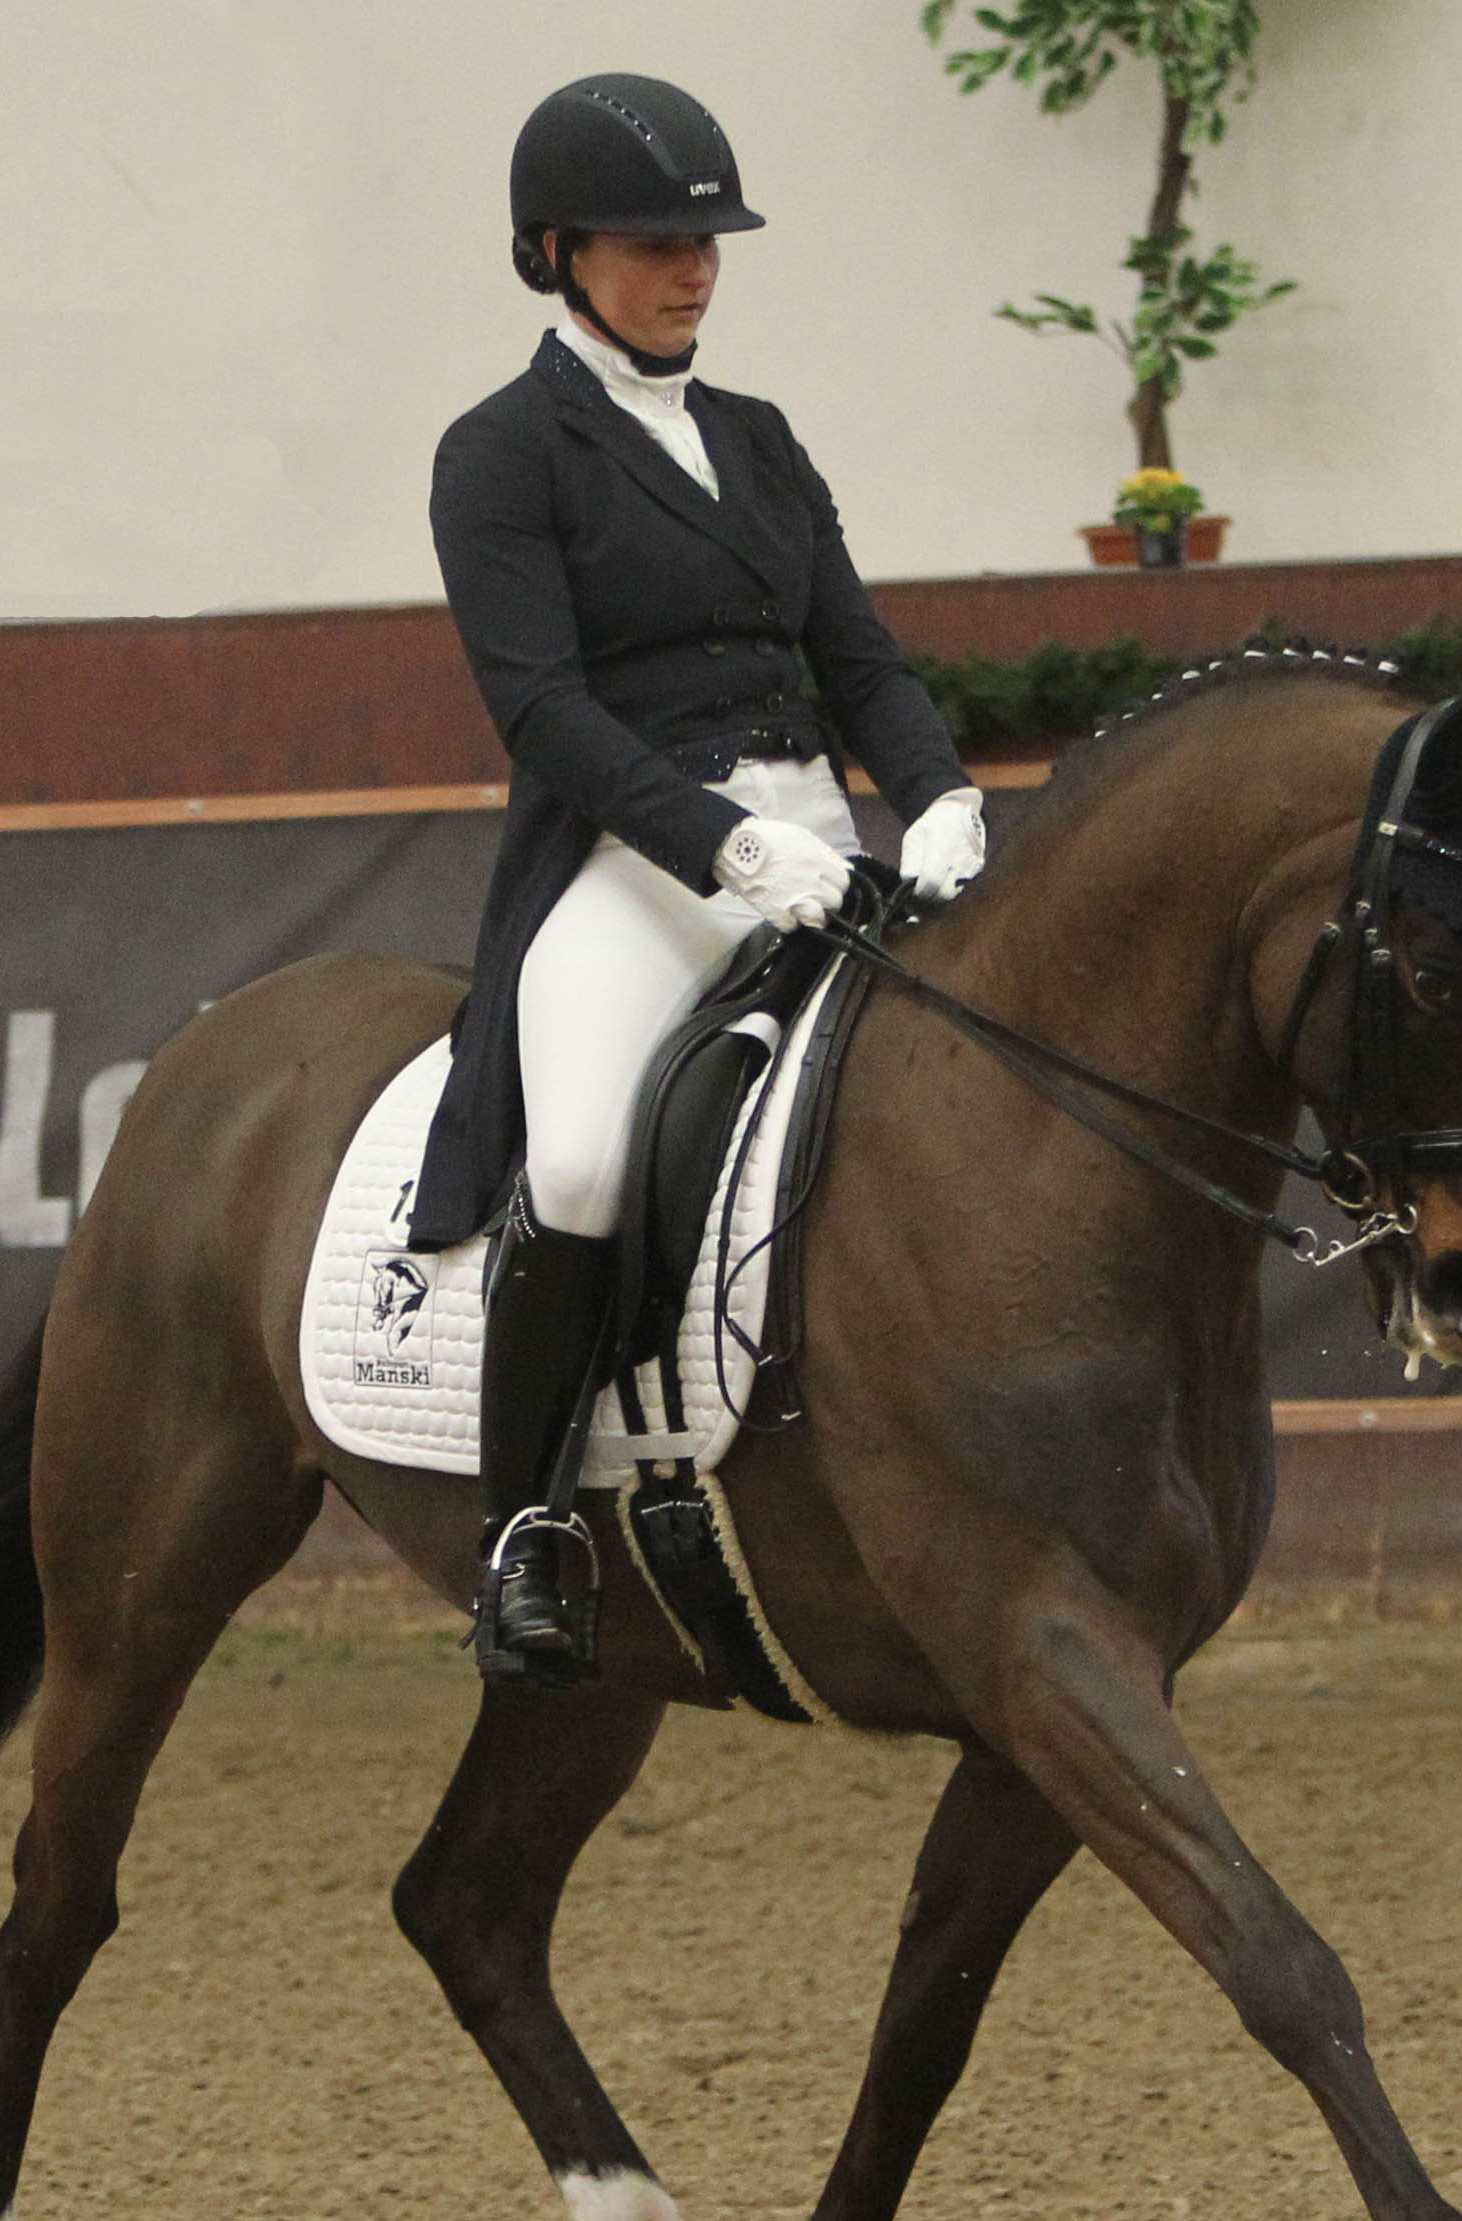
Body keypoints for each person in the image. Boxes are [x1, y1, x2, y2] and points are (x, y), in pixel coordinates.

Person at [414, 72, 987, 1689]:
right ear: (557, 250)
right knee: (589, 1157)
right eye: (658, 239)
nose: (695, 267)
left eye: (710, 238)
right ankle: (523, 1529)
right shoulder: (502, 452)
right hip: (634, 863)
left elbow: (858, 657)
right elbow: (542, 709)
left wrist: (939, 793)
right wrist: (724, 845)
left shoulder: (757, 438)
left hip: (825, 843)